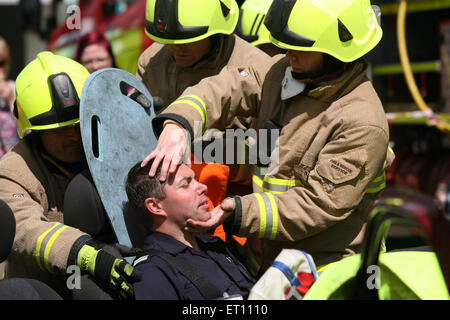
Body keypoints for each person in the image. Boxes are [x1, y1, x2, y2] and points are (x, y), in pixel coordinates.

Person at [143, 0, 396, 274]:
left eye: (300, 48)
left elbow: (317, 204)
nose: (289, 54)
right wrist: (179, 123)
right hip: (273, 257)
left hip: (327, 267)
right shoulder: (286, 73)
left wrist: (238, 211)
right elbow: (226, 87)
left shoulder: (361, 121)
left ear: (337, 53)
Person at [0, 51, 140, 299]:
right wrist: (82, 252)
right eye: (61, 130)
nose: (74, 136)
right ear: (33, 130)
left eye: (79, 124)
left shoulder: (112, 148)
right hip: (50, 289)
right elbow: (25, 228)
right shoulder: (13, 171)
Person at [126, 160, 255, 300]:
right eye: (186, 184)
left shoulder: (213, 245)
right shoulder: (153, 273)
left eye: (196, 179)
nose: (203, 187)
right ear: (155, 206)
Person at [0, 36, 19, 157]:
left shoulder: (16, 88)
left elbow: (29, 131)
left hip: (16, 162)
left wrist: (12, 100)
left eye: (2, 63)